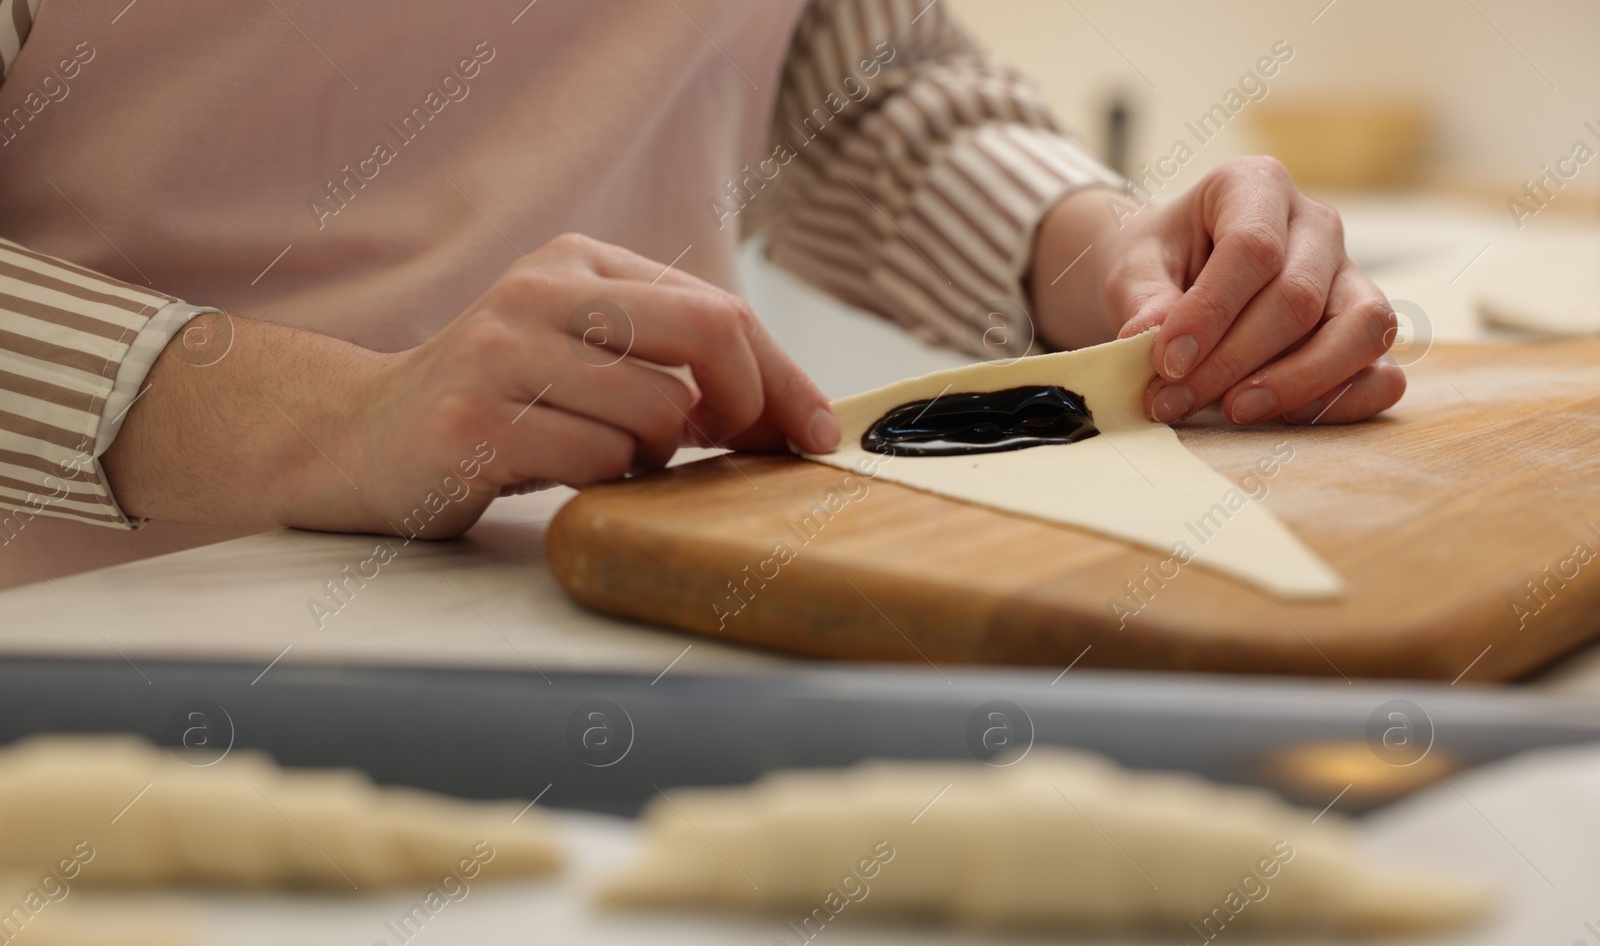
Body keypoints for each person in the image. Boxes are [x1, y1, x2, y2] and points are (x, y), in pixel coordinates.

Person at [0, 0, 1401, 544]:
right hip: (101, 677)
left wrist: (1087, 245)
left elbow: (844, 69)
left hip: (623, 600)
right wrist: (325, 422)